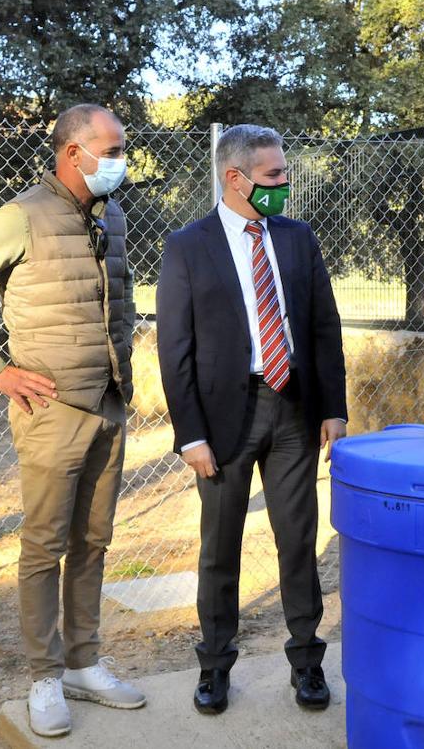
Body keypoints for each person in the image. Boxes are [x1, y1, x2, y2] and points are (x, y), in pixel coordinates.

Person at [0, 103, 146, 737]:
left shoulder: (113, 215)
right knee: (45, 546)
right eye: (110, 149)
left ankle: (84, 663)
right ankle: (44, 677)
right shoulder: (20, 217)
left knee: (94, 541)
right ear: (72, 153)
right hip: (51, 412)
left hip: (109, 403)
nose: (118, 160)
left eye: (120, 148)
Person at [157, 123, 348, 715]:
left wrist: (334, 407)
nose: (286, 184)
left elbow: (323, 326)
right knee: (221, 546)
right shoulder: (188, 246)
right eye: (274, 176)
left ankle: (307, 663)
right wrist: (189, 435)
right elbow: (175, 350)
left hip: (293, 411)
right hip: (222, 421)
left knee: (299, 540)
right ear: (234, 178)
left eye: (285, 173)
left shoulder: (297, 238)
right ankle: (215, 665)